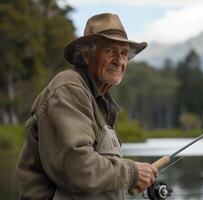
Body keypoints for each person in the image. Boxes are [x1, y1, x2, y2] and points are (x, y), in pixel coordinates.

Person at [16, 13, 158, 200]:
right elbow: (78, 166)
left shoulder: (98, 99)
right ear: (87, 56)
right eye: (110, 51)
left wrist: (131, 177)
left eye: (124, 53)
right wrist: (132, 173)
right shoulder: (69, 87)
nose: (119, 60)